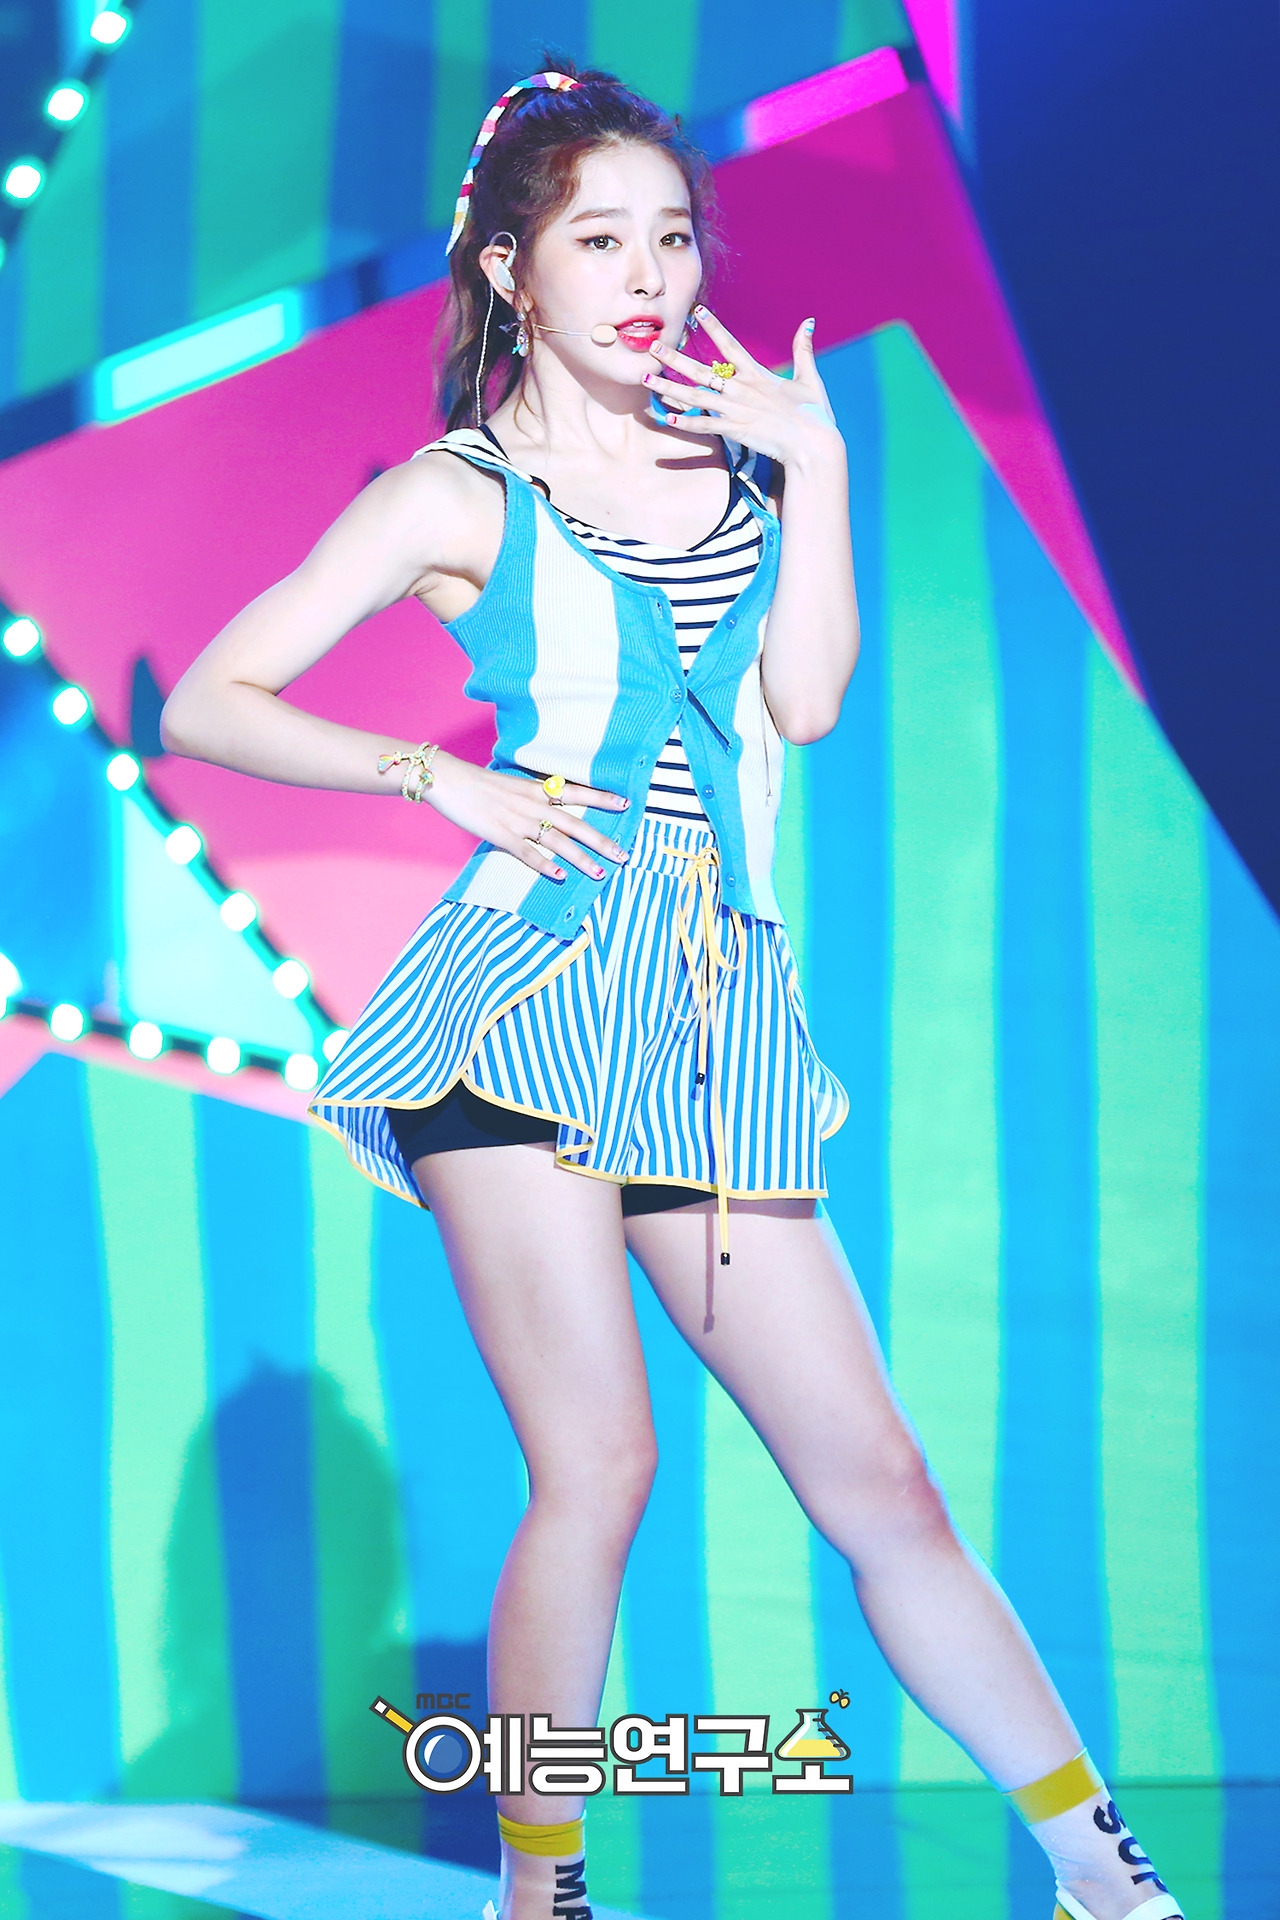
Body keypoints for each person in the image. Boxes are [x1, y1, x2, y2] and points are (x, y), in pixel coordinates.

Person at [160, 60, 1185, 1920]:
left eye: (674, 237)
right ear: (509, 272)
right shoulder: (458, 492)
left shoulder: (749, 467)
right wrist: (433, 777)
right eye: (600, 241)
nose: (648, 277)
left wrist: (825, 468)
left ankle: (1099, 1874)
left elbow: (808, 702)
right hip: (519, 1006)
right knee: (602, 1465)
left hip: (711, 1029)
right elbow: (207, 701)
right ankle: (538, 1891)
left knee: (883, 1483)